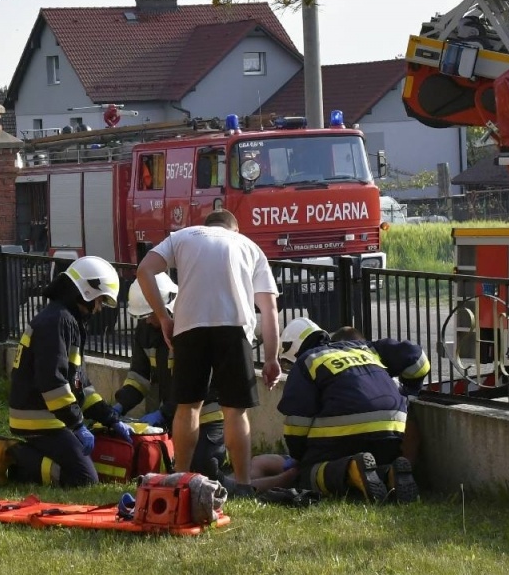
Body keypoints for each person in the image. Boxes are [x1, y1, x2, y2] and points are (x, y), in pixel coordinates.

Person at [134, 209, 280, 491]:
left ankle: (179, 479)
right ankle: (243, 484)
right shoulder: (248, 246)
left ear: (207, 225)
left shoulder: (183, 236)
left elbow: (144, 270)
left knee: (188, 407)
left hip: (190, 325)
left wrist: (164, 316)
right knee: (235, 412)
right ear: (233, 229)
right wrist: (272, 358)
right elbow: (269, 308)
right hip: (234, 327)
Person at [7, 256, 130, 487]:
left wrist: (111, 418)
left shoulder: (66, 319)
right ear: (87, 291)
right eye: (101, 299)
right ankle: (13, 455)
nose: (100, 307)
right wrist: (78, 425)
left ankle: (32, 454)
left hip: (51, 417)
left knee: (87, 465)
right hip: (40, 419)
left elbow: (80, 384)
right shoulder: (58, 321)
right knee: (84, 479)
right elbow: (52, 383)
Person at [277, 318, 430, 502]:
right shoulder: (366, 348)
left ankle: (351, 469)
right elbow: (419, 361)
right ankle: (389, 473)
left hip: (345, 438)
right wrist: (408, 392)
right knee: (379, 460)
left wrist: (301, 457)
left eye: (287, 364)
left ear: (293, 350)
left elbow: (297, 425)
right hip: (392, 432)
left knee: (307, 474)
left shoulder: (306, 361)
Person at [113, 274, 229, 478]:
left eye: (150, 315)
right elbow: (138, 377)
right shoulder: (146, 330)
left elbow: (194, 383)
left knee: (203, 469)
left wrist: (163, 413)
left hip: (207, 416)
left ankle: (224, 459)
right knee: (165, 466)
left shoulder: (190, 327)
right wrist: (119, 405)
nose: (147, 321)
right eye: (143, 316)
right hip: (175, 417)